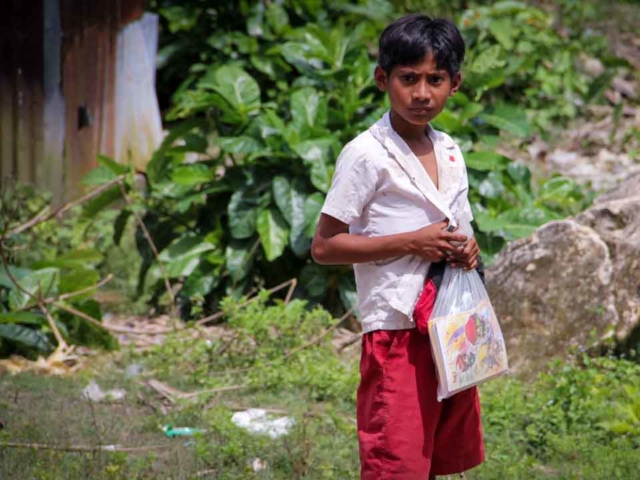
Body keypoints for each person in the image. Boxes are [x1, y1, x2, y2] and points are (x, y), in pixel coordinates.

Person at [311, 14, 485, 480]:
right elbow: (325, 247)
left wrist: (468, 249)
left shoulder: (449, 149)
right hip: (396, 328)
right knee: (396, 459)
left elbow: (462, 227)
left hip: (448, 327)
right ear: (382, 79)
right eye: (408, 79)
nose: (422, 93)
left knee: (433, 457)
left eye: (436, 80)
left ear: (456, 84)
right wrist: (411, 242)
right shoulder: (366, 155)